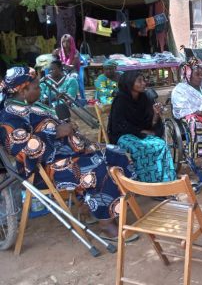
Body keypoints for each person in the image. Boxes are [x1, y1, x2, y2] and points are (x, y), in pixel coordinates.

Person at [0, 66, 136, 240]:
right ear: (23, 90)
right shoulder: (8, 117)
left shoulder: (32, 105)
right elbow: (21, 147)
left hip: (68, 153)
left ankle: (92, 207)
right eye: (36, 87)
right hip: (43, 168)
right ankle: (106, 224)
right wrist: (57, 132)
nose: (40, 90)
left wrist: (68, 128)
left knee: (116, 154)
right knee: (98, 167)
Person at [108, 71, 176, 183]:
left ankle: (166, 181)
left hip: (142, 135)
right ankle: (147, 184)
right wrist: (141, 131)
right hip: (123, 135)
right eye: (139, 80)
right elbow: (119, 125)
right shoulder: (120, 100)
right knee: (140, 149)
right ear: (129, 83)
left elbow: (150, 124)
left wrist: (155, 113)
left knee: (161, 144)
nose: (144, 83)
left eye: (144, 80)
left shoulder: (144, 99)